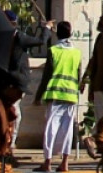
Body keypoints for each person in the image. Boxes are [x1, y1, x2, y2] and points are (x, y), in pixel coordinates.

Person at [33, 21, 81, 173]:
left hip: (55, 94)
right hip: (71, 95)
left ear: (57, 33)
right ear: (71, 33)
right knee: (67, 131)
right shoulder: (77, 52)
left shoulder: (53, 50)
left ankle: (47, 163)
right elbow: (78, 76)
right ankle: (65, 164)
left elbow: (46, 77)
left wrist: (38, 96)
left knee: (51, 129)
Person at [4, 10, 53, 149]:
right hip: (11, 81)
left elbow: (39, 41)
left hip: (12, 81)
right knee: (13, 112)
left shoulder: (14, 37)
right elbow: (41, 41)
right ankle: (9, 142)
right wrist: (47, 28)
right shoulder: (14, 37)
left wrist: (45, 28)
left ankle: (10, 141)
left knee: (13, 112)